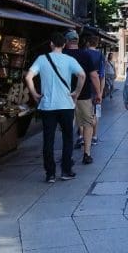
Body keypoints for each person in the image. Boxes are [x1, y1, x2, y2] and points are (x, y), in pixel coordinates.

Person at [24, 31, 84, 183]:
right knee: (68, 138)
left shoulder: (42, 59)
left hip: (47, 106)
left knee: (48, 140)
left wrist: (35, 94)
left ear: (50, 44)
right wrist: (76, 92)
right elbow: (82, 75)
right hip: (66, 104)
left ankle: (50, 173)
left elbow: (28, 76)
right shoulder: (69, 60)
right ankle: (66, 170)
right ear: (64, 44)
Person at [63, 30, 102, 165]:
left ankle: (68, 155)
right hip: (84, 95)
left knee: (67, 124)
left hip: (65, 96)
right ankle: (87, 153)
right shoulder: (85, 55)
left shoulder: (62, 55)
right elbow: (94, 75)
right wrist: (98, 93)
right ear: (77, 41)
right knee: (87, 124)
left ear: (66, 42)